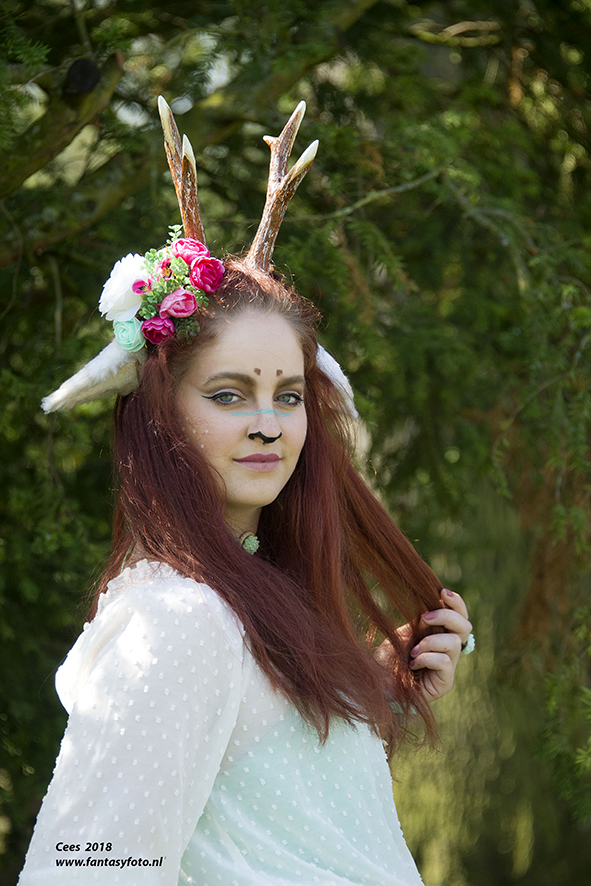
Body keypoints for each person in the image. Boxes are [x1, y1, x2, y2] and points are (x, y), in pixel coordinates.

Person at [18, 101, 473, 886]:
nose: (268, 424)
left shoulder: (245, 603)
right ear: (159, 414)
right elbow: (84, 868)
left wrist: (374, 689)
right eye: (228, 394)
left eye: (287, 396)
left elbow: (281, 828)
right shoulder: (178, 621)